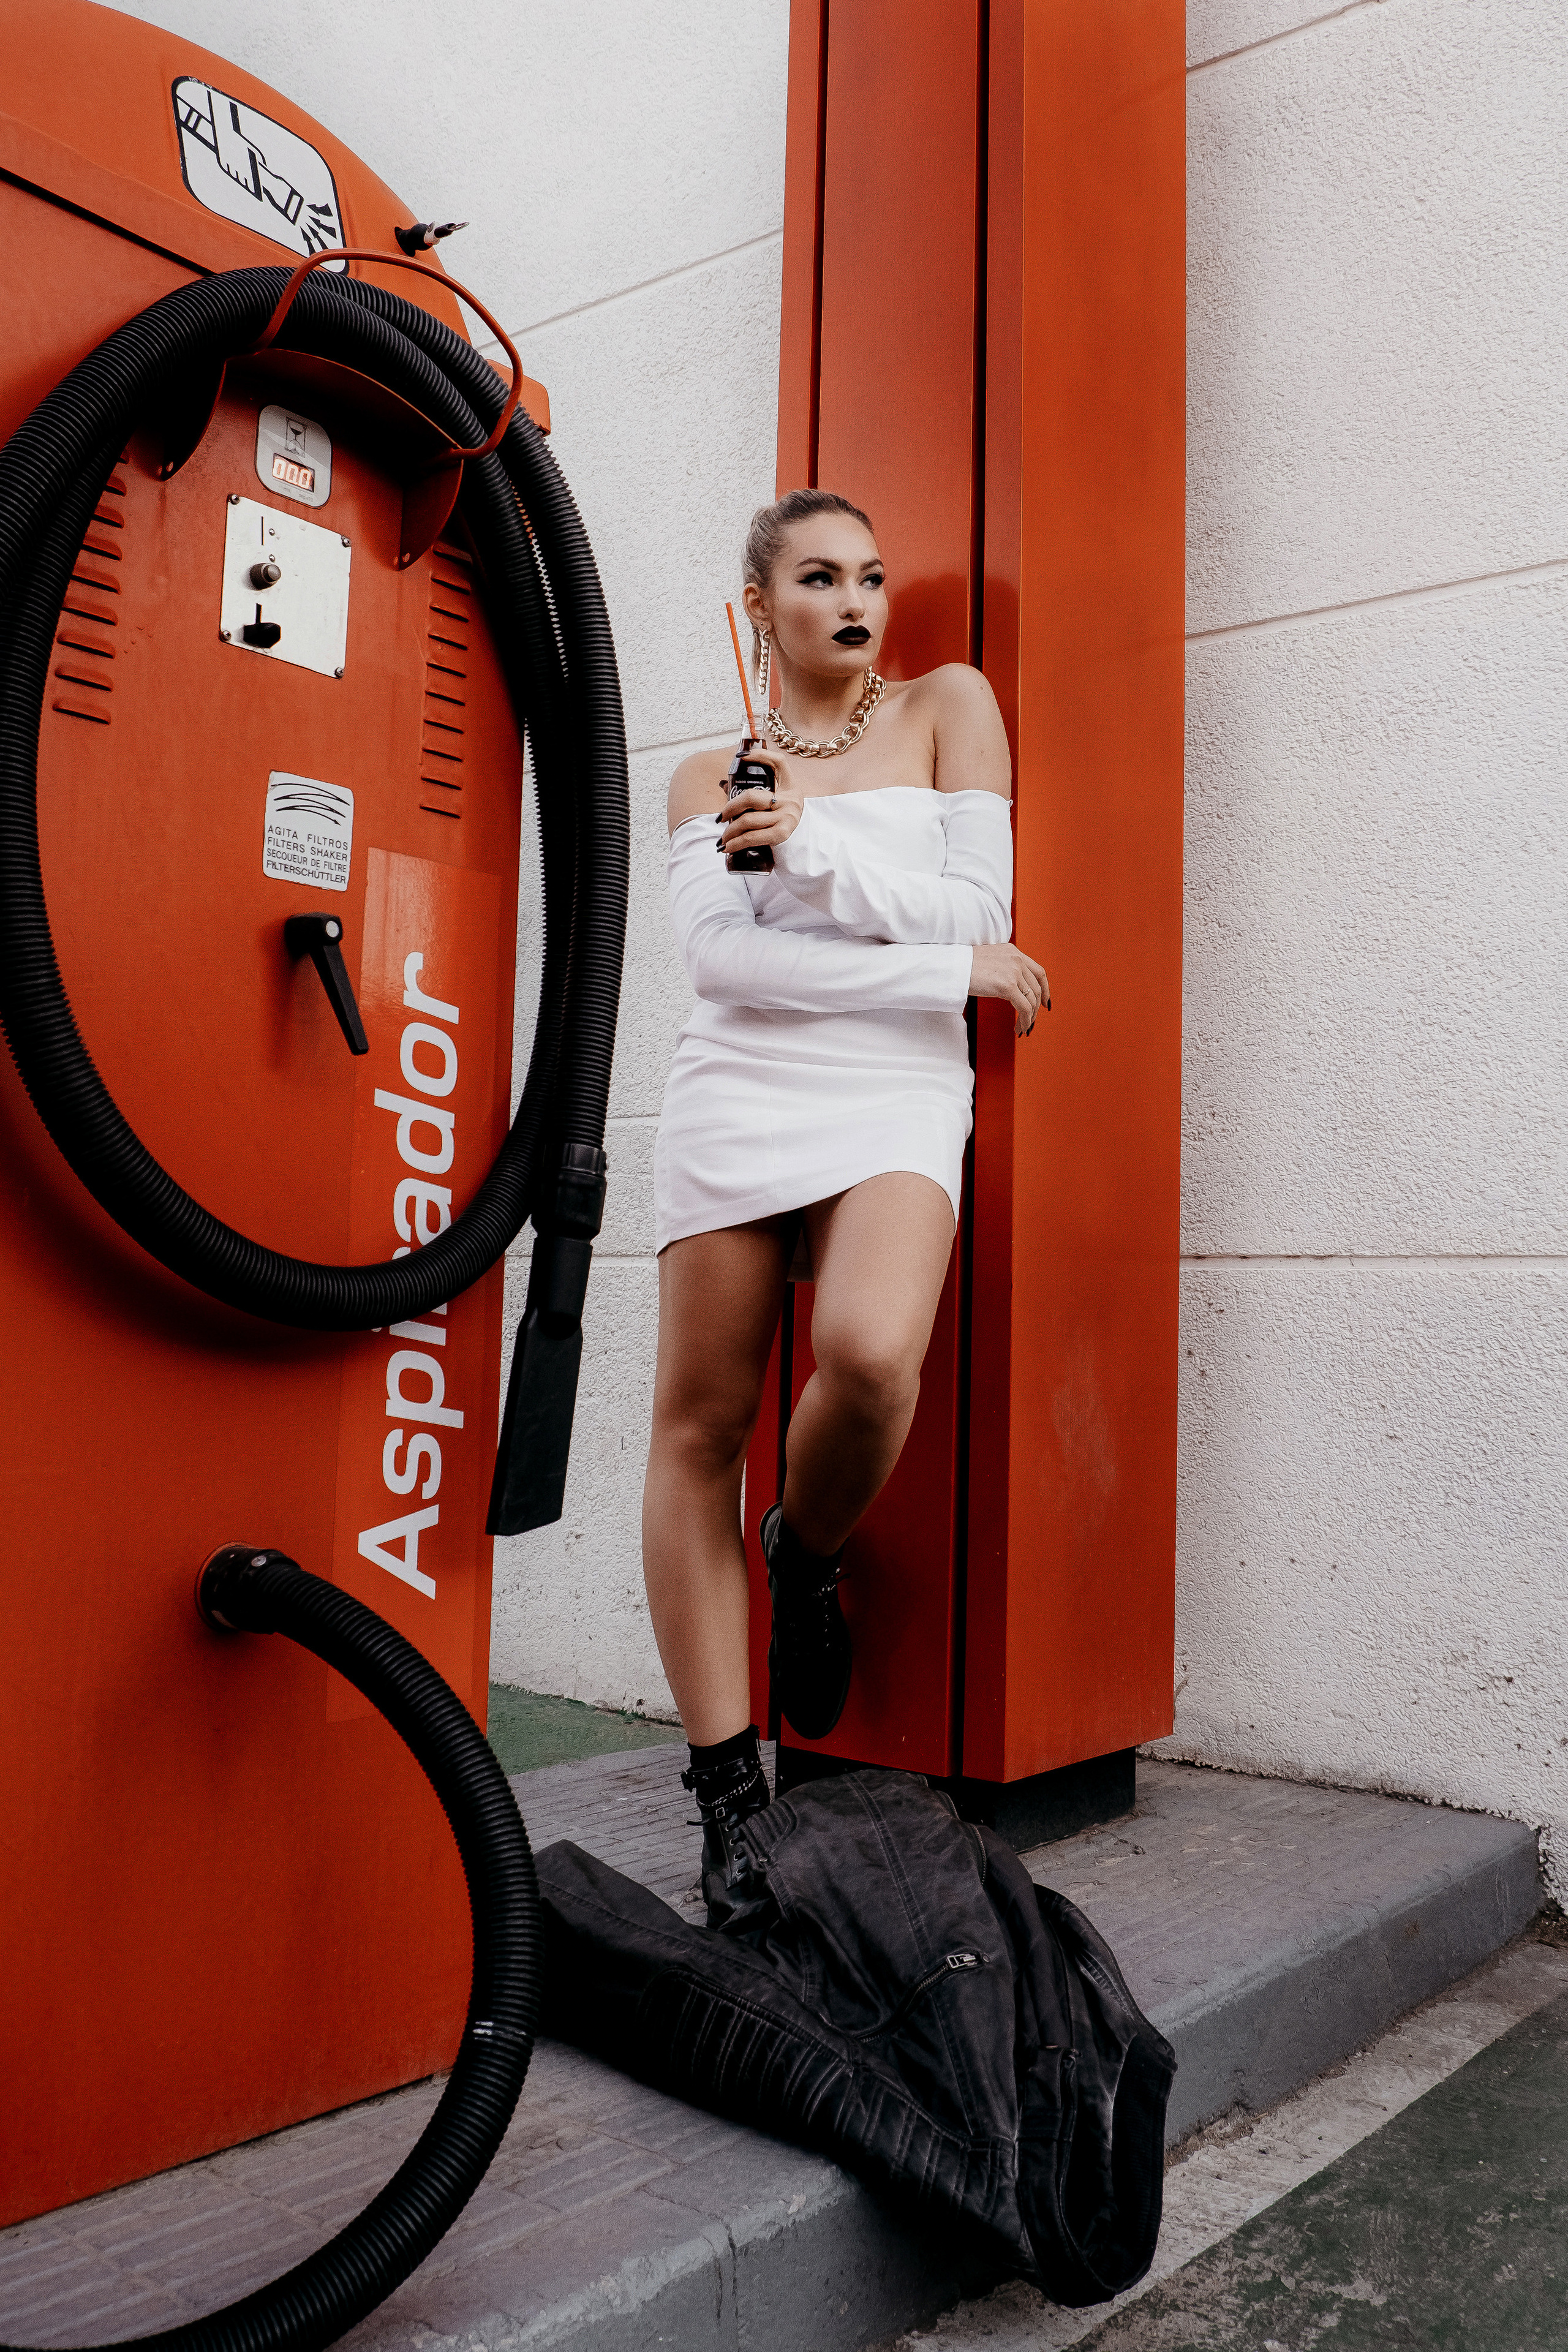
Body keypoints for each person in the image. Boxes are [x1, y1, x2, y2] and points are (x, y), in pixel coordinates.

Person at [642, 488, 1049, 1913]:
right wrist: (942, 972)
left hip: (889, 1089)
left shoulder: (949, 705)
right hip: (739, 1086)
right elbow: (731, 974)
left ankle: (801, 1552)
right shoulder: (706, 776)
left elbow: (980, 914)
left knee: (871, 1358)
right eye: (817, 578)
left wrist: (809, 850)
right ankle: (725, 1799)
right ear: (760, 607)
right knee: (698, 1429)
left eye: (870, 573)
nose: (854, 599)